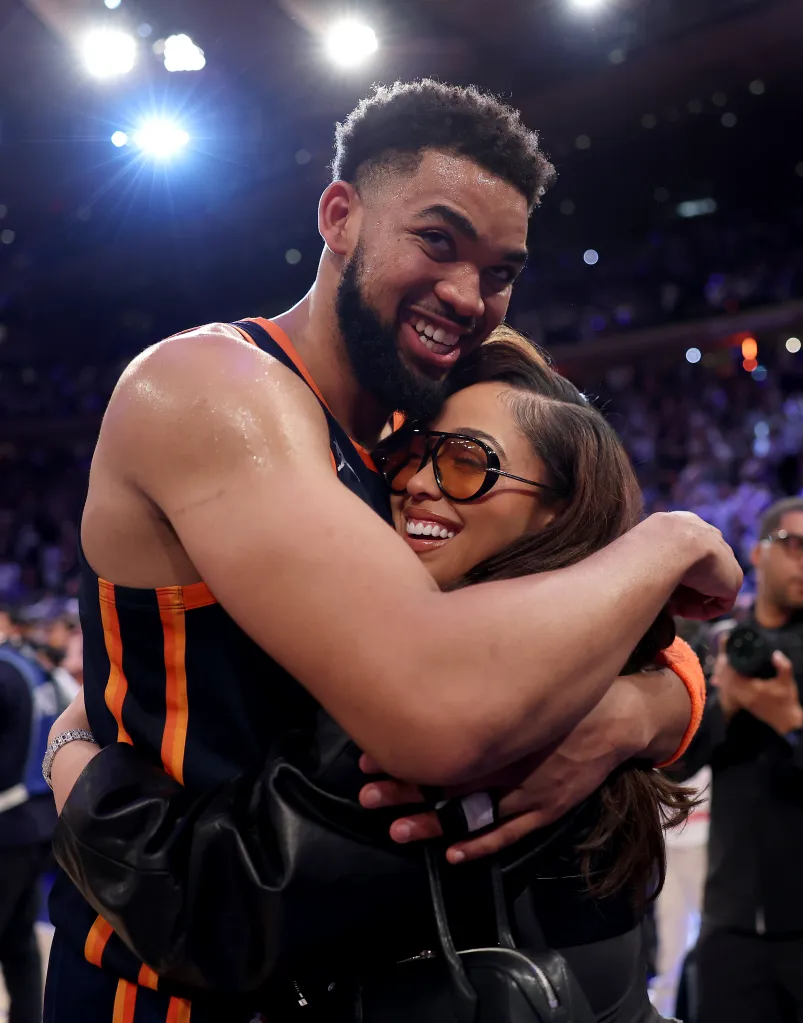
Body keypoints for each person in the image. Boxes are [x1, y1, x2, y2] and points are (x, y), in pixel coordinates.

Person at [42, 80, 741, 1023]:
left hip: (358, 972)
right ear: (339, 216)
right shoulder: (212, 386)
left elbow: (587, 629)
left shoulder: (418, 438)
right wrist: (673, 538)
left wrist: (642, 703)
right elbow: (437, 707)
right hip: (177, 980)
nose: (468, 294)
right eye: (437, 240)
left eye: (501, 269)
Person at [53, 336, 709, 1022]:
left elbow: (210, 913)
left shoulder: (450, 693)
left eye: (466, 463)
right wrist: (653, 701)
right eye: (412, 455)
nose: (419, 481)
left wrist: (70, 752)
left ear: (559, 511)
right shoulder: (603, 662)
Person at [672, 496, 803, 1023]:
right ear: (757, 552)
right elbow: (675, 766)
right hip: (730, 920)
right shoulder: (718, 648)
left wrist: (791, 724)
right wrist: (725, 701)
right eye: (793, 545)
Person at [0, 623, 61, 1023]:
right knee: (18, 942)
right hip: (37, 819)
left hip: (7, 820)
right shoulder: (30, 665)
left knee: (18, 941)